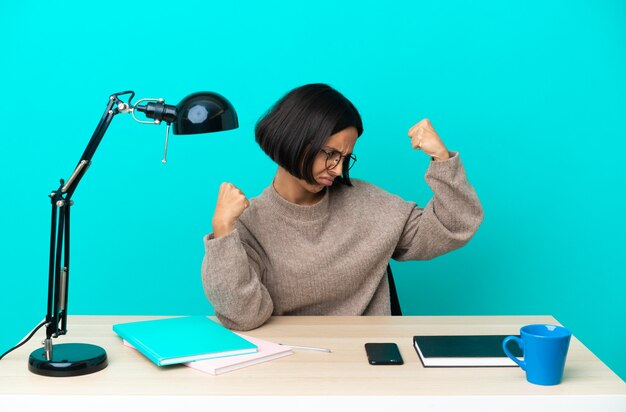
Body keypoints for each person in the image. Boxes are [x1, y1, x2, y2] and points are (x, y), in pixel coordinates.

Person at [201, 83, 483, 331]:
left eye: (345, 158)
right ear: (294, 140)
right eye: (331, 154)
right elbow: (243, 316)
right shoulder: (252, 225)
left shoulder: (370, 205)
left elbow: (453, 227)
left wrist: (442, 160)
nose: (337, 170)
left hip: (370, 364)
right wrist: (223, 234)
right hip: (288, 368)